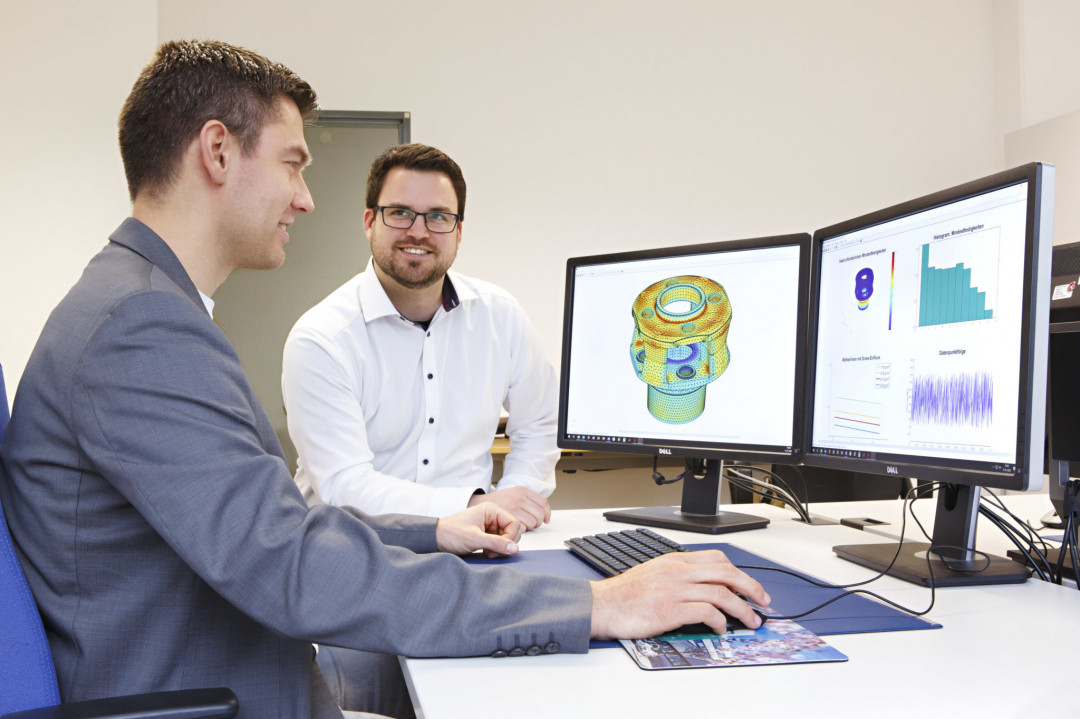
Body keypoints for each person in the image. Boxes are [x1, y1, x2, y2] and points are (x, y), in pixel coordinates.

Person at [0, 40, 770, 719]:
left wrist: (435, 528)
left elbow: (269, 531)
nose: (305, 197)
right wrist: (592, 601)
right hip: (219, 695)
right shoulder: (142, 327)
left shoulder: (139, 304)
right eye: (293, 164)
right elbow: (292, 564)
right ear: (218, 151)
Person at [282, 143, 555, 529]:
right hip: (359, 545)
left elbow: (540, 422)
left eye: (438, 217)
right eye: (400, 213)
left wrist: (512, 500)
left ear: (458, 232)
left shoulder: (501, 317)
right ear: (369, 222)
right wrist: (476, 505)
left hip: (477, 544)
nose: (418, 231)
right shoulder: (323, 339)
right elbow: (344, 485)